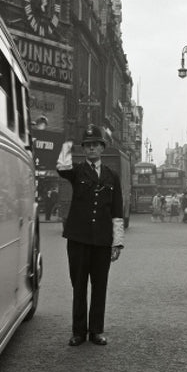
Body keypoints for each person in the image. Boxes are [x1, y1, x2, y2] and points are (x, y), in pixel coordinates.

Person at [56, 124, 124, 347]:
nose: (91, 148)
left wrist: (117, 243)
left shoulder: (112, 176)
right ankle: (78, 332)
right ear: (83, 148)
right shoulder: (76, 171)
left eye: (95, 144)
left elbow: (116, 212)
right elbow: (61, 168)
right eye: (87, 145)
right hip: (78, 239)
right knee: (79, 285)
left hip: (102, 241)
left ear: (102, 148)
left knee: (99, 285)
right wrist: (67, 143)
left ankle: (96, 331)